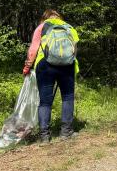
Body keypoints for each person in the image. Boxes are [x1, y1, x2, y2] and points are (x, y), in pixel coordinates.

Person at [23, 9, 80, 142]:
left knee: (45, 101)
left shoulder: (42, 27)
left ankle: (44, 136)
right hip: (67, 66)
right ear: (59, 17)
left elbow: (33, 49)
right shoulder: (69, 27)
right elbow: (74, 50)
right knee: (67, 97)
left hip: (45, 66)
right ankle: (66, 132)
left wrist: (27, 67)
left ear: (44, 18)